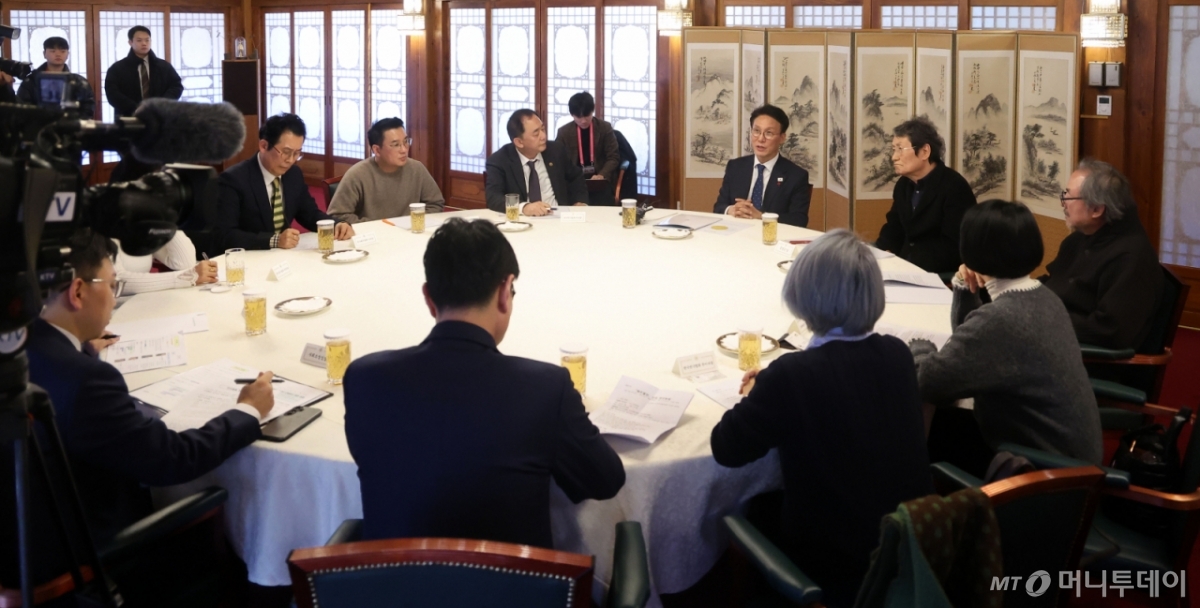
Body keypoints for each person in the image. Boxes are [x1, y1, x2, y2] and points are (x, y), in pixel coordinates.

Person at [344, 218, 625, 548]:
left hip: (391, 580)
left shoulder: (365, 379)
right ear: (505, 292)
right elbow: (605, 480)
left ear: (429, 298)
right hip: (516, 580)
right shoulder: (545, 389)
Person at [710, 229, 931, 606]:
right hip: (910, 548)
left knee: (748, 509)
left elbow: (726, 448)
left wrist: (756, 393)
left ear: (802, 294)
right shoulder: (897, 353)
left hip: (836, 566)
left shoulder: (792, 376)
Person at [16, 230, 275, 550]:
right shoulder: (89, 381)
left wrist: (82, 347)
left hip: (27, 534)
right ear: (78, 292)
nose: (114, 298)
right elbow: (173, 458)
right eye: (112, 285)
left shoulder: (22, 345)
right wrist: (247, 410)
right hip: (92, 551)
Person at [910, 201, 1103, 474]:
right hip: (1070, 459)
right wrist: (965, 288)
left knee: (908, 430)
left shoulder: (1001, 319)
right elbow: (970, 348)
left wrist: (920, 347)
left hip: (1041, 472)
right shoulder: (1044, 296)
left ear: (971, 250)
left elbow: (928, 383)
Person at [1040, 159, 1162, 351]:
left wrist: (1043, 319)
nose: (1063, 203)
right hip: (1056, 337)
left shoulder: (1131, 258)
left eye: (1068, 197)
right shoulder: (1078, 240)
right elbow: (1053, 282)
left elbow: (1109, 331)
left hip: (1087, 357)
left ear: (1097, 209)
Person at [216, 113, 353, 254]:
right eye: (286, 152)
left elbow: (310, 214)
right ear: (264, 146)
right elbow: (225, 235)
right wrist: (273, 240)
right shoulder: (233, 180)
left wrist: (336, 225)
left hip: (281, 257)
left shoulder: (293, 174)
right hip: (248, 257)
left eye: (297, 153)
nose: (290, 160)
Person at [875, 117, 976, 274]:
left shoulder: (954, 187)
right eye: (893, 149)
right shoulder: (903, 185)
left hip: (940, 274)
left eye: (900, 149)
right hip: (904, 268)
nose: (894, 157)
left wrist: (910, 265)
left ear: (924, 152)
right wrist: (883, 252)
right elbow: (894, 227)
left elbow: (955, 246)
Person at [327, 117, 445, 223]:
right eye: (395, 145)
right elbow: (337, 215)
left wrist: (411, 222)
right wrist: (378, 226)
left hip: (409, 233)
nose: (404, 149)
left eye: (406, 142)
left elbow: (435, 204)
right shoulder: (357, 174)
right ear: (377, 150)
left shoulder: (416, 169)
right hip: (372, 235)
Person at [713, 104, 812, 228]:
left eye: (769, 133)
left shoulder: (796, 176)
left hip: (773, 236)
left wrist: (762, 216)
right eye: (756, 131)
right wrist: (731, 210)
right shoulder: (735, 167)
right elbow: (719, 207)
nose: (760, 139)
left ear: (782, 138)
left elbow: (799, 220)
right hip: (736, 233)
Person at [485, 109, 588, 217]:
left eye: (543, 129)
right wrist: (524, 207)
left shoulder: (556, 150)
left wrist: (580, 201)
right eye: (536, 134)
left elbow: (576, 178)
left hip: (558, 216)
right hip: (523, 219)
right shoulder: (499, 160)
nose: (543, 136)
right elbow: (493, 197)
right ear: (519, 142)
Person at [556, 92, 621, 206]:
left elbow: (613, 157)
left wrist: (602, 175)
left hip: (599, 180)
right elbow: (558, 159)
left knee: (602, 204)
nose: (583, 121)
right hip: (575, 182)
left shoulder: (604, 128)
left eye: (587, 115)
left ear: (592, 110)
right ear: (572, 114)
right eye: (579, 117)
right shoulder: (564, 132)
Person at [103, 25, 182, 118]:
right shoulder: (117, 68)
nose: (144, 43)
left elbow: (176, 86)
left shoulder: (164, 66)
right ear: (130, 42)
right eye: (139, 40)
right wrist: (136, 108)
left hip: (160, 116)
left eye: (147, 40)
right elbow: (112, 93)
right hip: (128, 116)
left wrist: (162, 104)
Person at [113, 231, 218, 294]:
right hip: (116, 312)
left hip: (145, 302)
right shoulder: (106, 226)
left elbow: (185, 263)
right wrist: (189, 277)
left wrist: (165, 219)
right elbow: (116, 281)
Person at [16, 36, 96, 117]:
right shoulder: (31, 81)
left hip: (70, 123)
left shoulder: (79, 82)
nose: (58, 54)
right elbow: (22, 109)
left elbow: (88, 109)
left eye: (63, 51)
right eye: (53, 51)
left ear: (67, 54)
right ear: (44, 54)